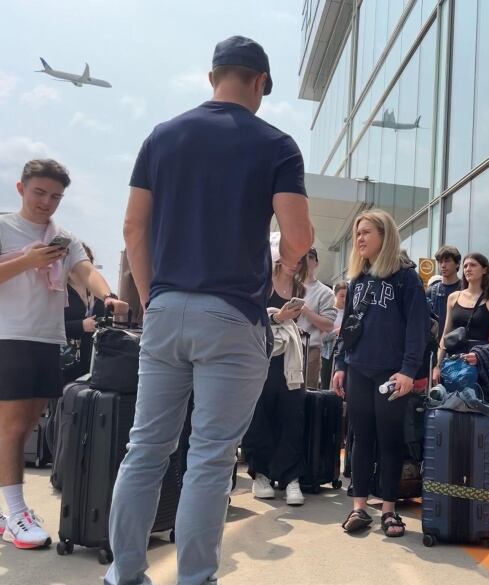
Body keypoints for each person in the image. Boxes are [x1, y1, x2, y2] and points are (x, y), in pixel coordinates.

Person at [105, 36, 314, 585]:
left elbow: (133, 227)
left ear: (212, 76)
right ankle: (193, 579)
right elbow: (297, 236)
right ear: (260, 83)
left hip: (167, 308)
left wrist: (153, 298)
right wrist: (287, 264)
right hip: (231, 315)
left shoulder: (163, 136)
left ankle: (124, 574)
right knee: (211, 459)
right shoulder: (276, 145)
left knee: (145, 449)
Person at [0, 159, 128, 550]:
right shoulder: (4, 227)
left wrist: (107, 294)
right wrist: (27, 261)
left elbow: (85, 270)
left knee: (25, 424)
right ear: (21, 189)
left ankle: (10, 511)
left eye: (55, 196)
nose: (47, 202)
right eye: (39, 192)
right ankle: (15, 512)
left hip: (46, 339)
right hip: (10, 336)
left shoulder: (64, 237)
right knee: (14, 428)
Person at [332, 209, 428, 538]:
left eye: (365, 233)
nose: (358, 239)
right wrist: (341, 365)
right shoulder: (358, 280)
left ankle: (389, 510)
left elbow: (417, 331)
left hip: (391, 375)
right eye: (357, 233)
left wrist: (407, 371)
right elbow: (347, 329)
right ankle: (359, 506)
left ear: (384, 237)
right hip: (358, 370)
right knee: (360, 440)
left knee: (389, 441)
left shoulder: (406, 278)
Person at [243, 256, 308, 505]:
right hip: (260, 356)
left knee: (292, 414)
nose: (295, 262)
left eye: (300, 258)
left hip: (289, 358)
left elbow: (292, 322)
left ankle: (291, 476)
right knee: (259, 414)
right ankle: (260, 473)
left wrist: (289, 323)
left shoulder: (299, 288)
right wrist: (277, 318)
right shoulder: (263, 282)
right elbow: (251, 318)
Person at [434, 253, 489, 400]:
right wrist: (437, 365)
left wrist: (479, 356)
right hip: (453, 363)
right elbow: (445, 334)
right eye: (465, 266)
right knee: (449, 407)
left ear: (484, 270)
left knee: (477, 410)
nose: (467, 269)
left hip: (478, 364)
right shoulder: (454, 297)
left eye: (473, 265)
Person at [63, 244, 105, 383]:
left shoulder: (101, 294)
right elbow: (46, 327)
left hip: (95, 361)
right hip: (64, 363)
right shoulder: (58, 292)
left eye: (86, 261)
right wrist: (80, 325)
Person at [297, 248, 337, 388]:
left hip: (310, 351)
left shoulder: (325, 292)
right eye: (303, 256)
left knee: (306, 396)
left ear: (316, 262)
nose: (306, 259)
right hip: (284, 347)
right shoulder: (287, 284)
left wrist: (307, 311)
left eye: (311, 256)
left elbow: (328, 325)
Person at [426, 245, 462, 336]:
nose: (443, 265)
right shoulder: (431, 291)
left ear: (457, 263)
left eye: (447, 261)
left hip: (459, 344)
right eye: (440, 262)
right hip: (436, 344)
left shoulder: (466, 289)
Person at [320, 281, 347, 390]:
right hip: (328, 354)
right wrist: (336, 332)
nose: (344, 299)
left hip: (344, 352)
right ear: (335, 295)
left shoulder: (349, 312)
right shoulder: (329, 312)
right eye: (342, 296)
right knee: (326, 384)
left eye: (347, 296)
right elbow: (322, 337)